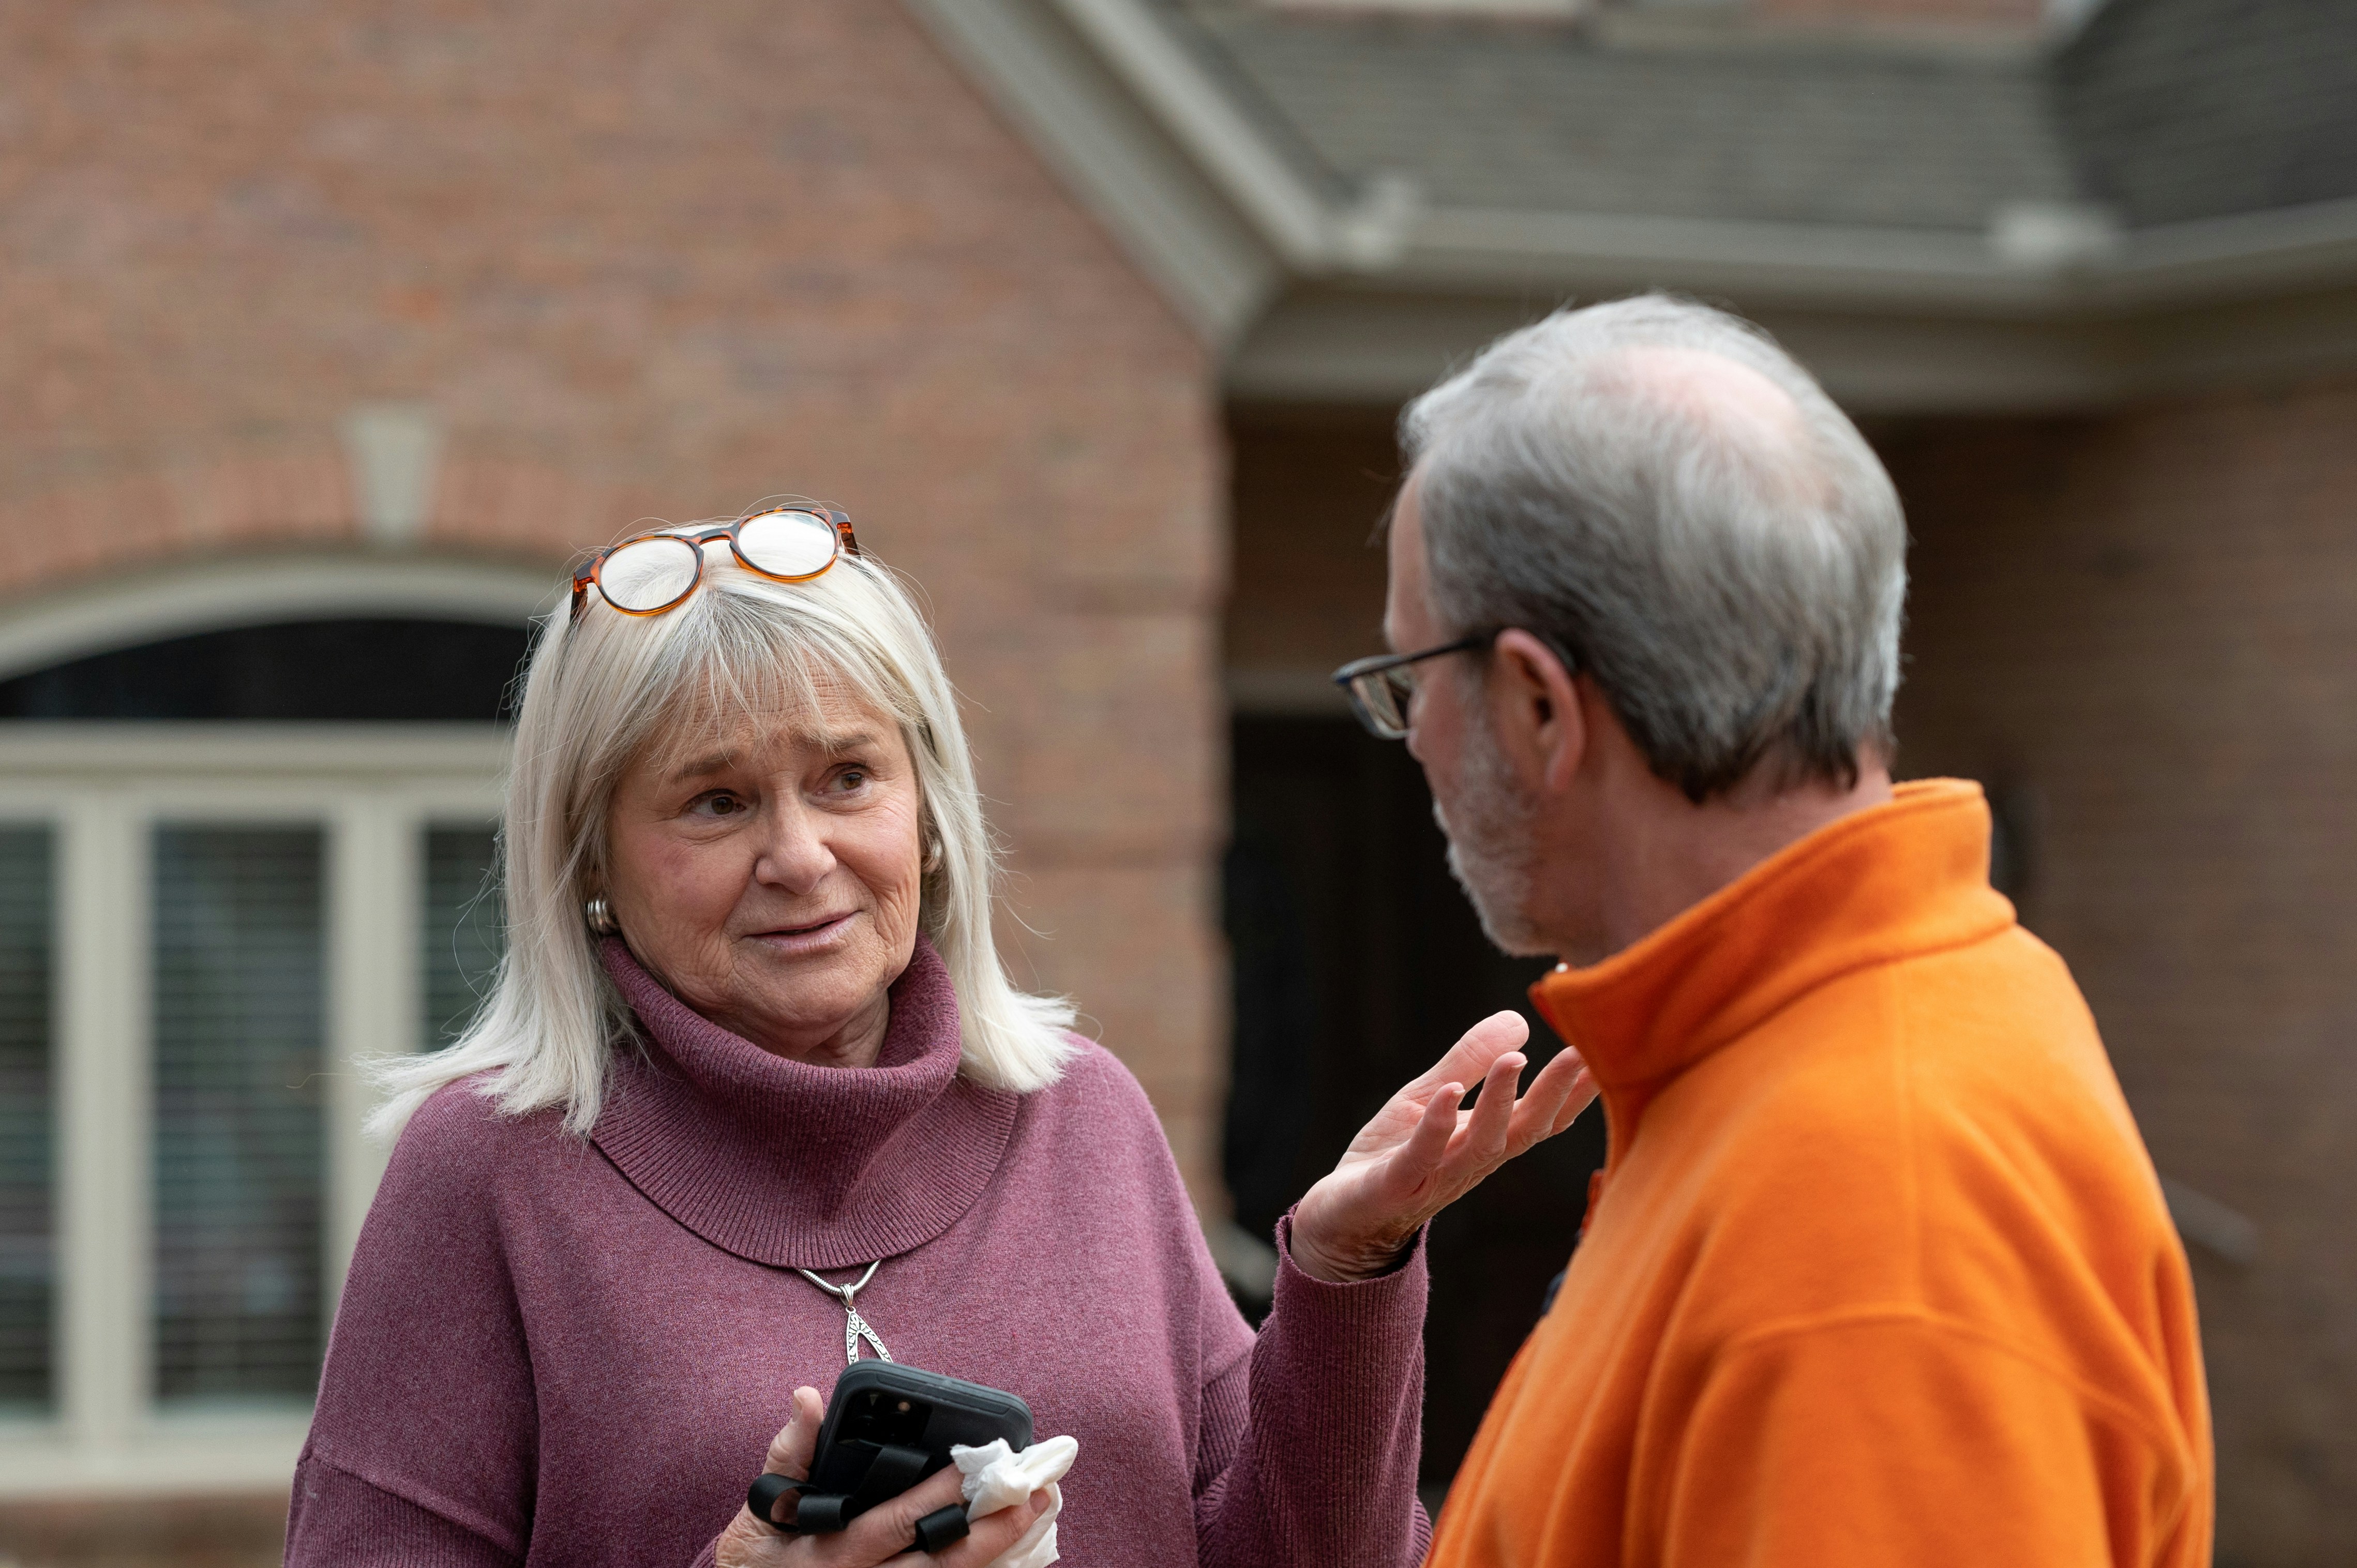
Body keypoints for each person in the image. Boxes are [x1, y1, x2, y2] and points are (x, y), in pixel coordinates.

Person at [284, 503, 1594, 1568]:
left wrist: (1347, 1269)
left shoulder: (1082, 1115)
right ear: (590, 861)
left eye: (846, 778)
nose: (799, 856)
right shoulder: (490, 1169)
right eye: (715, 801)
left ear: (926, 813)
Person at [1333, 297, 2213, 1566]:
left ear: (1538, 707)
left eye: (1412, 680)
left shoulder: (1869, 1232)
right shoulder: (1809, 1051)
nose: (1412, 737)